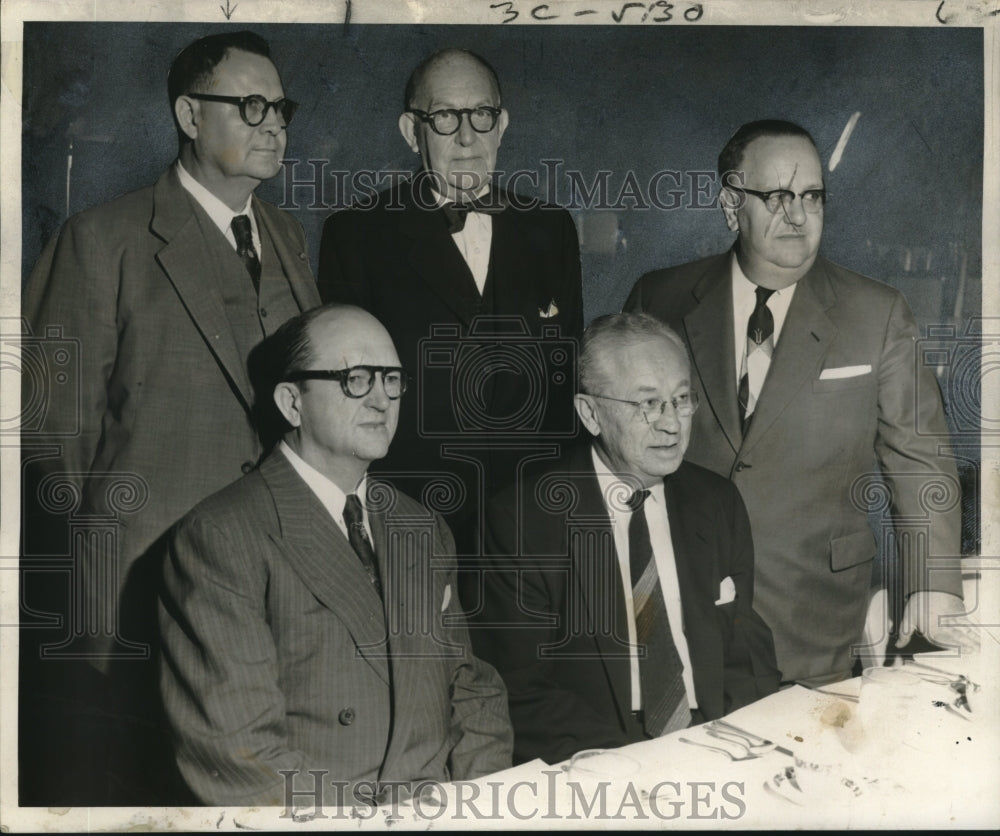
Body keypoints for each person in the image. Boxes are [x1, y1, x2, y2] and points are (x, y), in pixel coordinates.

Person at [20, 30, 320, 803]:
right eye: (248, 105)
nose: (273, 123)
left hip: (267, 592)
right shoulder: (102, 239)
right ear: (189, 114)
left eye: (279, 107)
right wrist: (83, 614)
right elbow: (49, 442)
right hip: (136, 596)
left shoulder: (286, 237)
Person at [625, 119, 971, 686]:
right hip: (680, 606)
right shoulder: (658, 298)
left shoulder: (876, 313)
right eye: (778, 196)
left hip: (816, 613)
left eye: (812, 196)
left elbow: (921, 458)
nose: (799, 215)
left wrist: (933, 585)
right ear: (731, 204)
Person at [158, 304, 513, 805]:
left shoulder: (422, 526)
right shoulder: (221, 536)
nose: (381, 399)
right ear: (291, 403)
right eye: (355, 379)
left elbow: (471, 693)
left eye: (392, 380)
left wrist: (485, 809)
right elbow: (240, 755)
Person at [470, 313, 780, 765]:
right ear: (590, 413)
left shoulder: (716, 503)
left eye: (681, 399)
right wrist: (641, 767)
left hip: (714, 740)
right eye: (648, 404)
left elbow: (743, 653)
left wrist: (739, 747)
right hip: (596, 756)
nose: (672, 424)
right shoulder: (522, 520)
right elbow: (520, 691)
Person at [317, 47, 583, 555]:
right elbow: (344, 401)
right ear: (409, 131)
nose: (467, 136)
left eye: (481, 115)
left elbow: (564, 384)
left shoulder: (552, 229)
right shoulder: (356, 235)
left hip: (532, 526)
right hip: (406, 523)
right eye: (443, 118)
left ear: (501, 124)